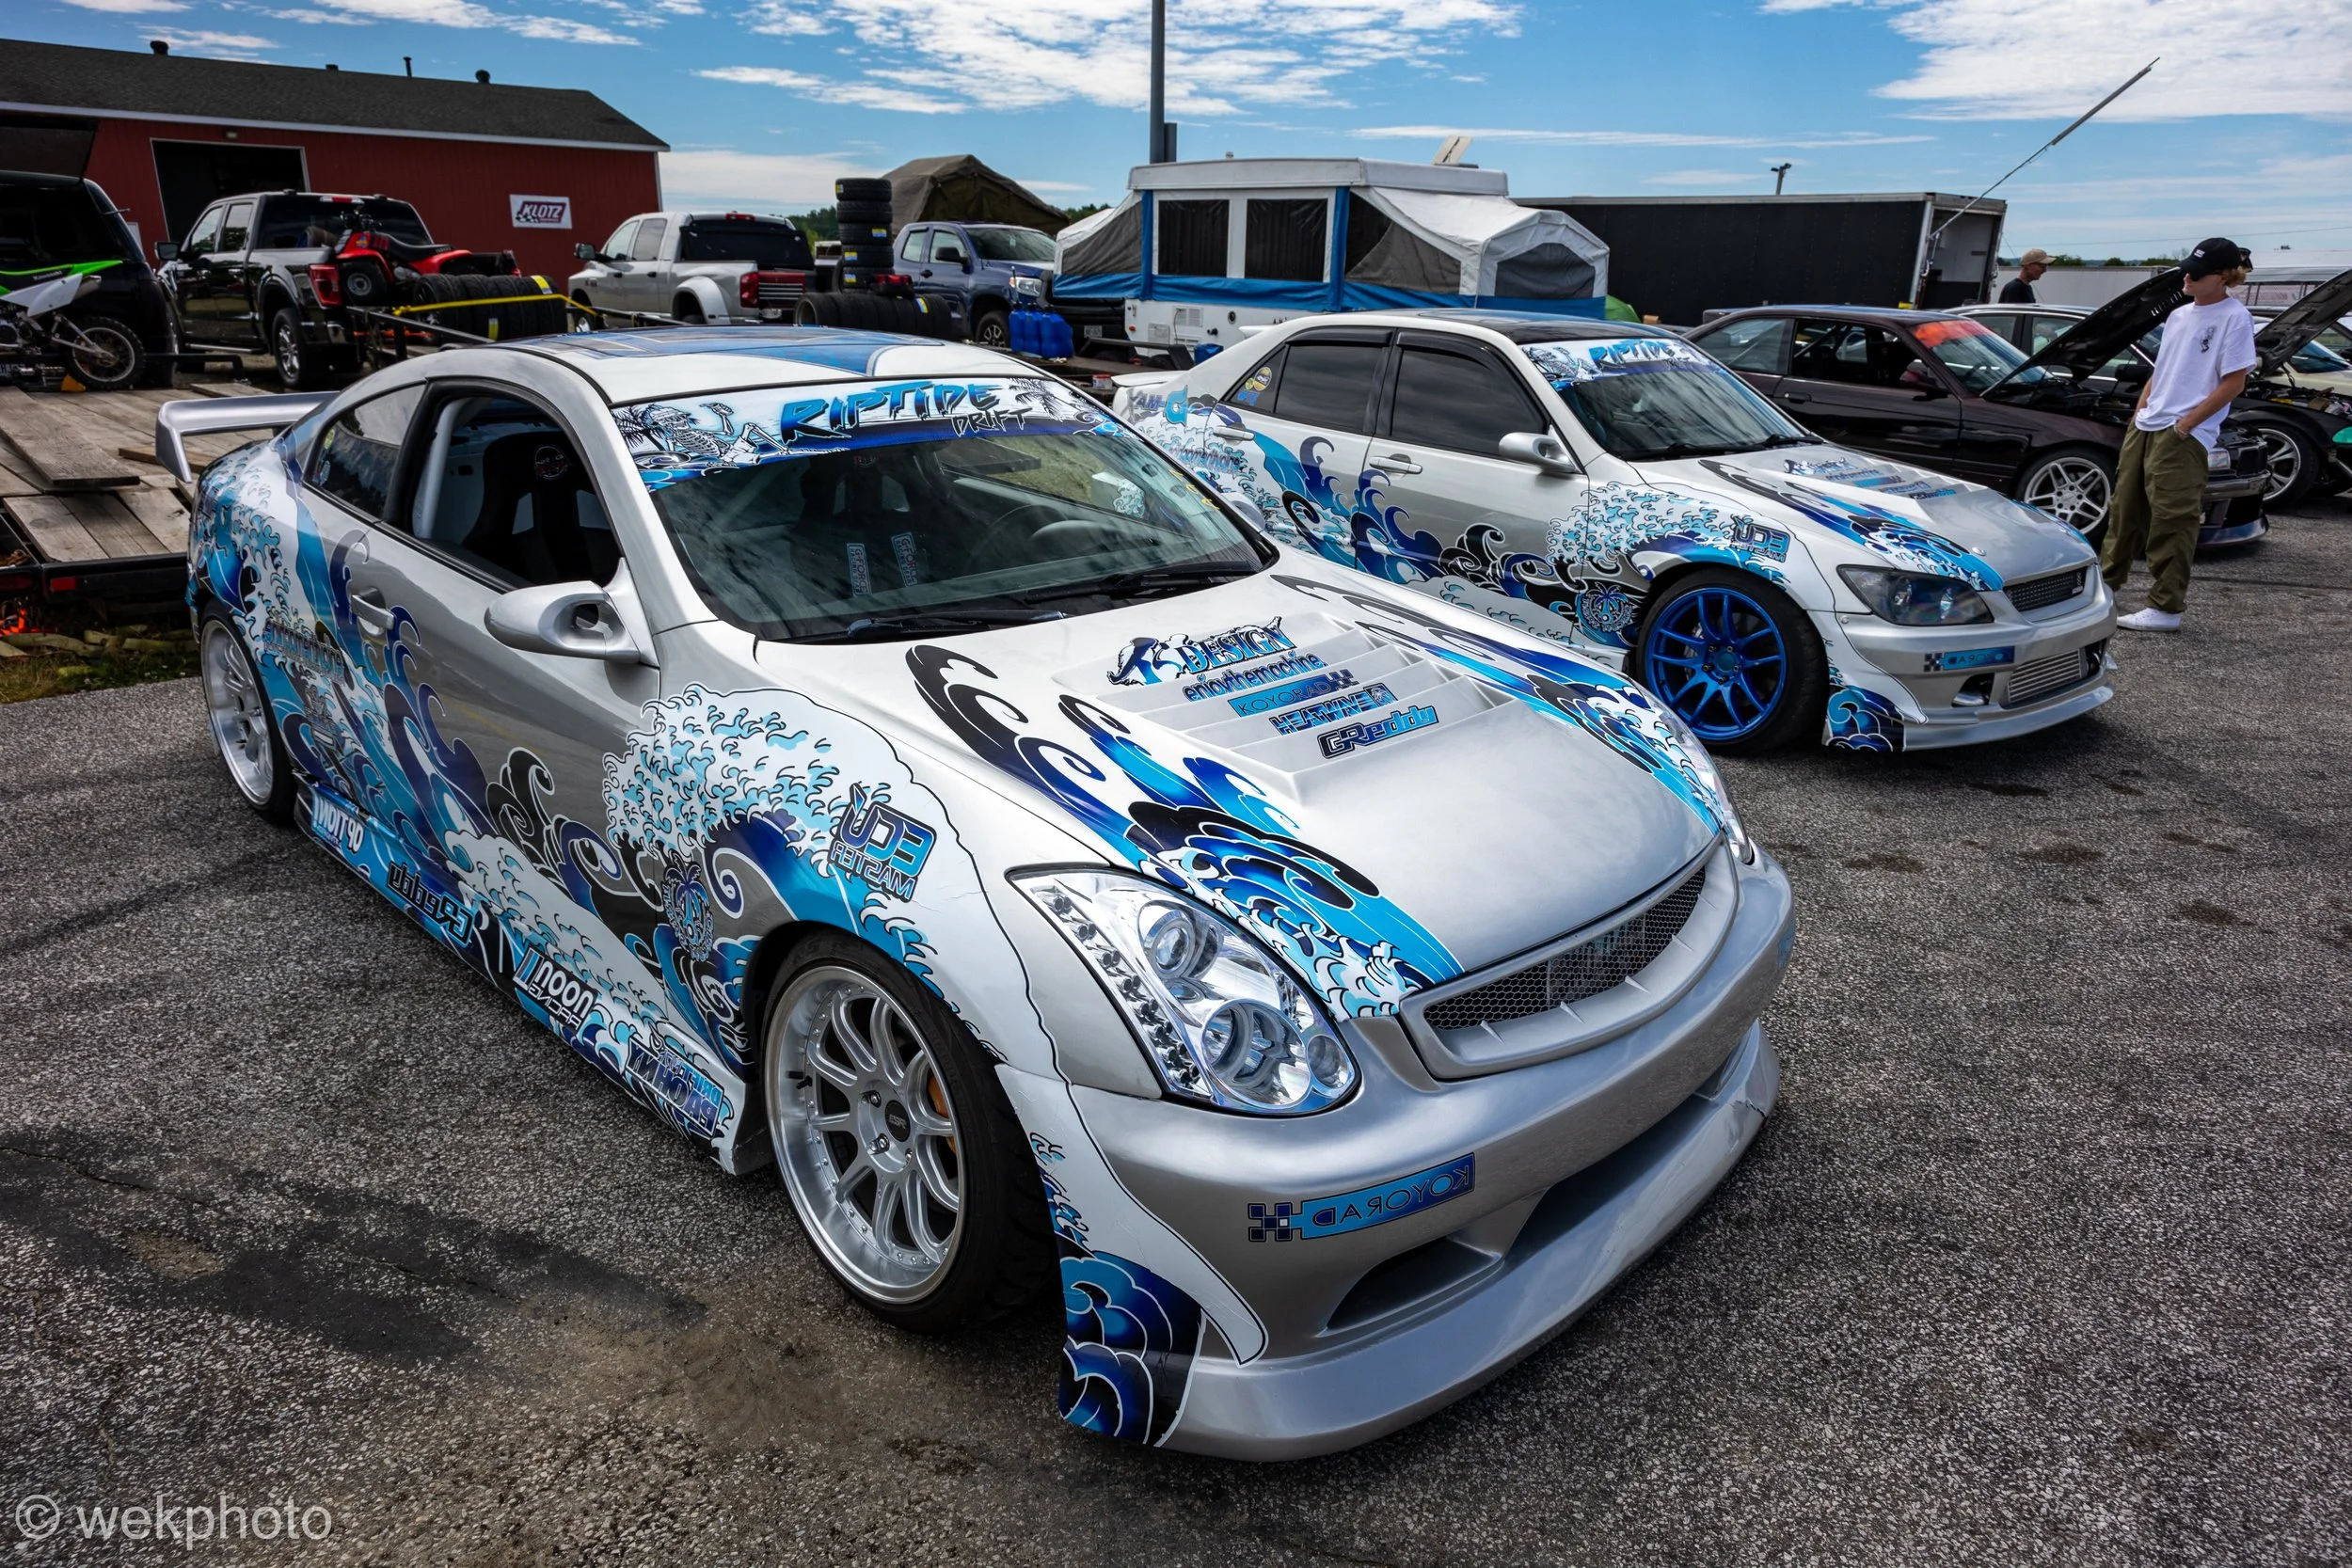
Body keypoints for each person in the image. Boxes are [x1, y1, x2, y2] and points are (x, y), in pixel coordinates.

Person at [2101, 237, 2256, 633]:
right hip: (2150, 423)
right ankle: (2105, 589)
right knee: (2124, 509)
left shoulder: (2234, 317)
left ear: (2224, 277)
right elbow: (2162, 368)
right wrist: (2141, 411)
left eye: (2197, 272)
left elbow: (2234, 381)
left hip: (2183, 432)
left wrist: (2187, 424)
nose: (2187, 276)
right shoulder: (2180, 314)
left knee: (2172, 517)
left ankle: (2166, 607)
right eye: (2186, 267)